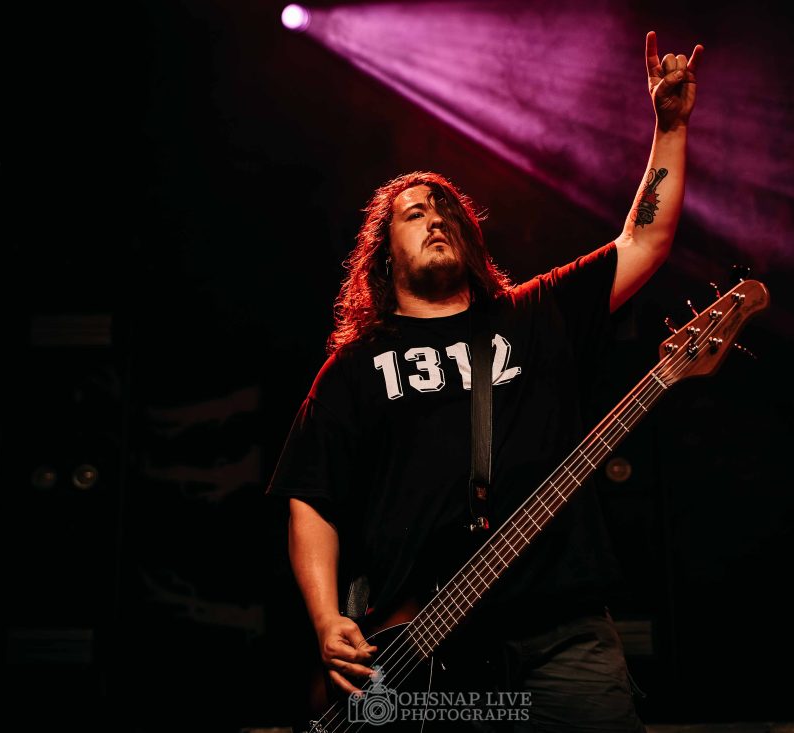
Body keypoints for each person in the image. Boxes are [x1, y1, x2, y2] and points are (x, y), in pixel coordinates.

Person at [269, 31, 702, 731]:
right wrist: (325, 619)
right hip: (423, 643)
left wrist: (671, 128)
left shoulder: (537, 314)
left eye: (447, 212)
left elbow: (643, 242)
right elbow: (310, 497)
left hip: (563, 633)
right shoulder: (354, 367)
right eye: (415, 213)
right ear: (383, 255)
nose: (435, 219)